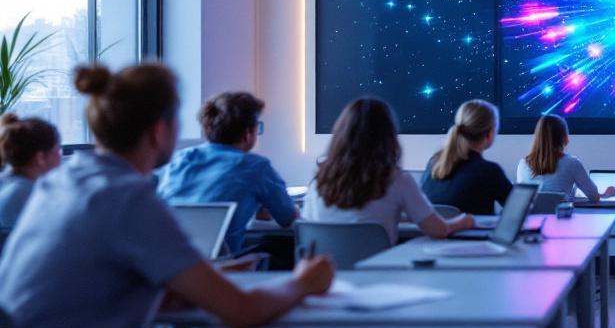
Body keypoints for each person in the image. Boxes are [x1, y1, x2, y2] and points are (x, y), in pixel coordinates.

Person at [0, 63, 335, 328]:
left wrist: (192, 282)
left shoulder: (64, 181)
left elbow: (84, 292)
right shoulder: (127, 196)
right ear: (159, 131)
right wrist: (303, 283)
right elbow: (241, 311)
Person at [303, 96, 473, 244]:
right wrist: (463, 222)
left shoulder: (318, 181)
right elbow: (439, 230)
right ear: (388, 137)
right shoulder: (397, 180)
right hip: (378, 275)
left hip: (326, 278)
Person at [157, 92, 298, 256]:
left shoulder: (179, 159)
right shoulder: (254, 167)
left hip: (162, 264)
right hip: (220, 269)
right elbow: (288, 218)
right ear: (247, 133)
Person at [420, 99, 512, 215]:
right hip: (473, 233)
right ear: (489, 134)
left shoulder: (433, 163)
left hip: (429, 233)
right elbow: (519, 210)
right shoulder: (489, 171)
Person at [516, 114, 615, 203]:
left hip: (531, 223)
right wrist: (606, 194)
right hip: (561, 222)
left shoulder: (523, 164)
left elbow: (523, 201)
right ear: (564, 137)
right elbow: (594, 197)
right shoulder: (572, 163)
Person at [0, 114, 61, 234]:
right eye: (57, 150)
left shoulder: (7, 182)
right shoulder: (26, 194)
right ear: (40, 158)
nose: (60, 156)